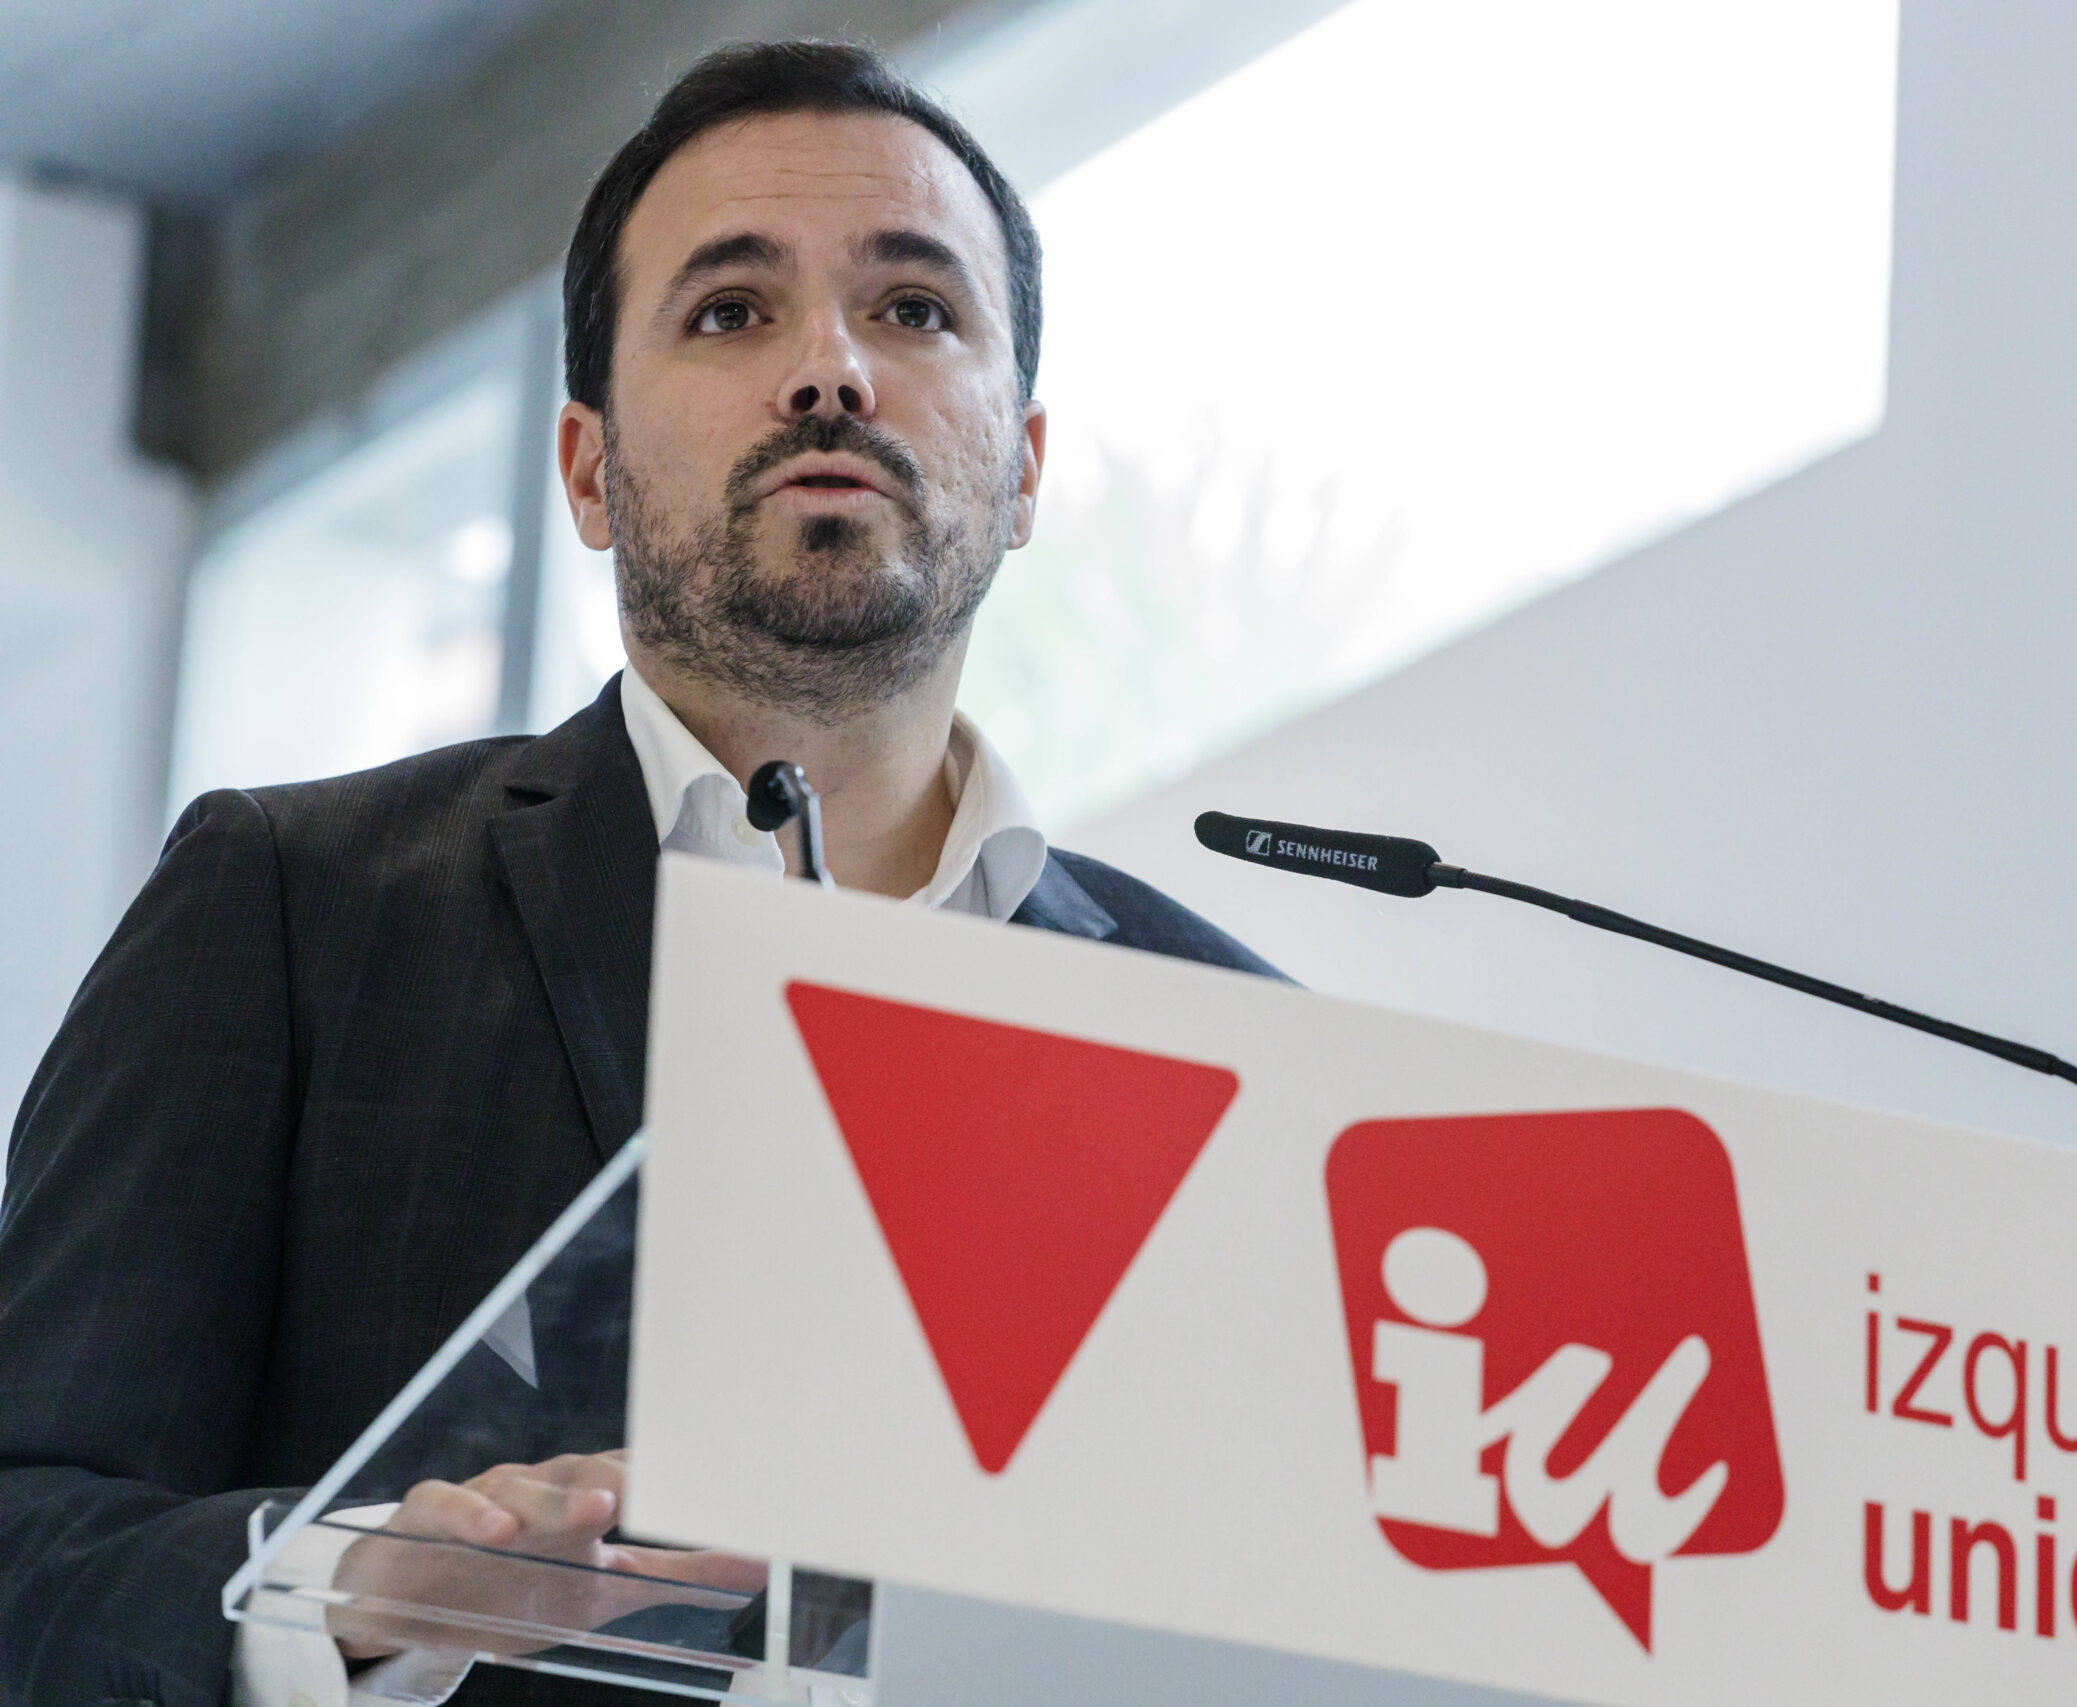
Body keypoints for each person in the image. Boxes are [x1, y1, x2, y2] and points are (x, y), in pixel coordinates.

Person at [0, 40, 1280, 1707]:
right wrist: (342, 1590)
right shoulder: (292, 905)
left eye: (914, 310)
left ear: (1025, 467)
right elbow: (25, 1542)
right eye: (732, 312)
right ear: (589, 472)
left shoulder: (1227, 1042)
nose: (831, 372)